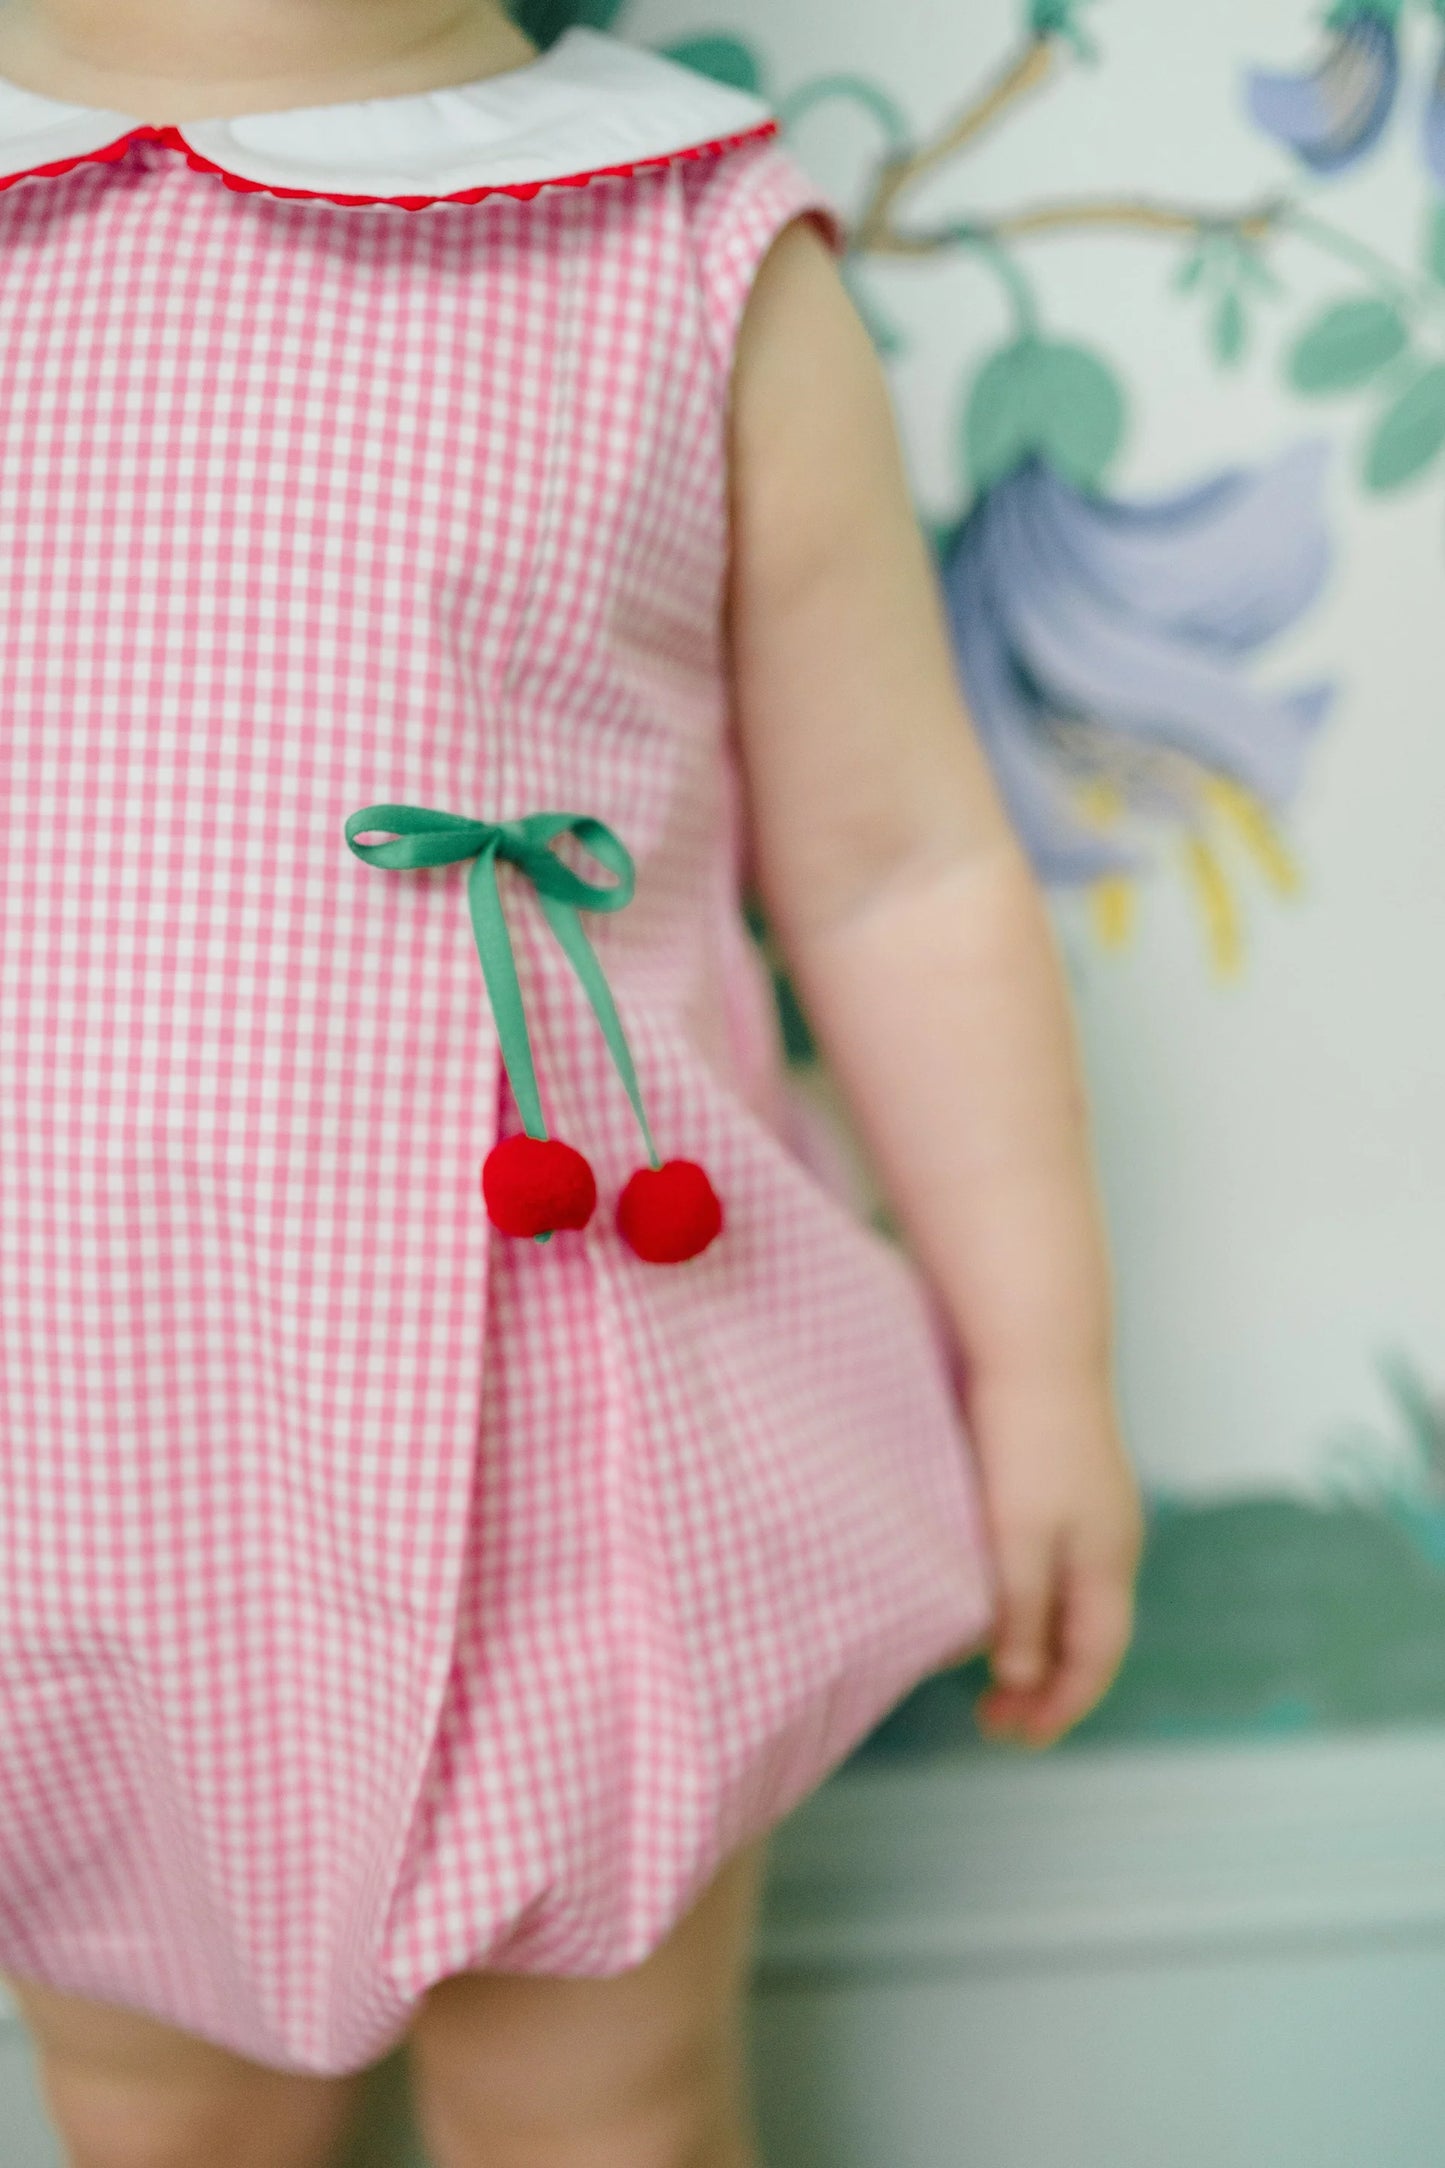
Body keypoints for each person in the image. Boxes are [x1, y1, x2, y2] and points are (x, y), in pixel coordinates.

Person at [0, 1, 1143, 2163]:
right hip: (67, 1472)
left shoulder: (681, 231)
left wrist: (1048, 1361)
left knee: (601, 2109)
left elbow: (896, 865)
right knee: (157, 2114)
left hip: (565, 1445)